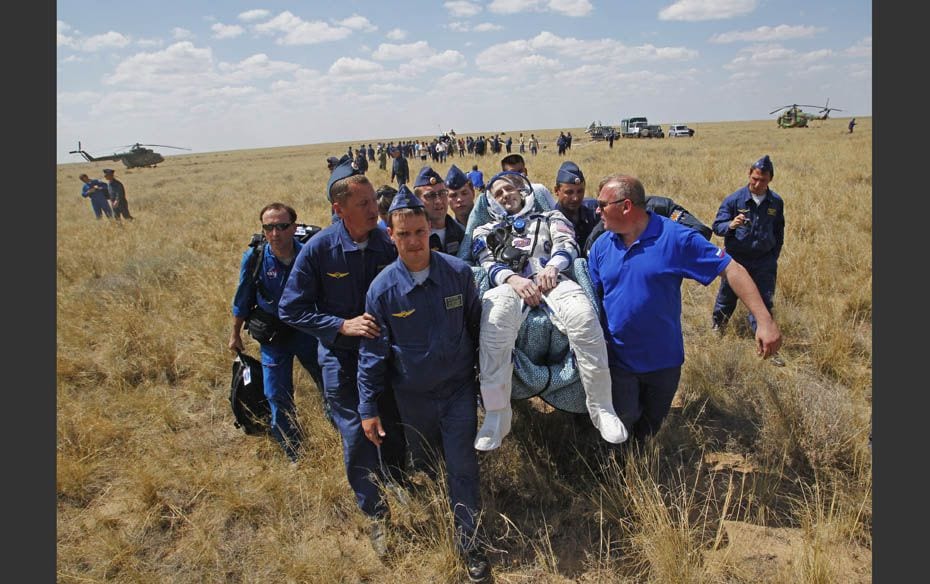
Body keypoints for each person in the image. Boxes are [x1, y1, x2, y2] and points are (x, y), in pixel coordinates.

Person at [358, 187, 491, 582]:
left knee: (462, 465)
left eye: (419, 232)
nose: (414, 241)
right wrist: (368, 408)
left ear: (429, 231)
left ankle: (470, 545)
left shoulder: (458, 274)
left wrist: (486, 383)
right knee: (430, 463)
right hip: (412, 398)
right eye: (404, 235)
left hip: (457, 392)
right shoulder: (382, 290)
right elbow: (372, 355)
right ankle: (440, 509)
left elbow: (476, 326)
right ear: (390, 236)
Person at [588, 174, 782, 442]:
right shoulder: (601, 246)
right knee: (621, 423)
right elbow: (592, 300)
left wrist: (764, 319)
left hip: (663, 361)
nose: (596, 210)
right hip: (618, 361)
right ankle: (618, 473)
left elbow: (732, 269)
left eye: (602, 204)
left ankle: (640, 463)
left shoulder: (676, 239)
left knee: (649, 427)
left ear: (626, 206)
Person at [278, 158, 406, 555]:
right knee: (356, 434)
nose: (374, 209)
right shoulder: (319, 249)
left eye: (374, 201)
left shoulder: (387, 241)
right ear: (339, 209)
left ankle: (396, 480)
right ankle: (375, 514)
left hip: (385, 355)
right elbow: (291, 309)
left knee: (393, 425)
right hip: (340, 357)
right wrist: (340, 325)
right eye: (364, 203)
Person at [470, 171, 628, 451]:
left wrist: (553, 268)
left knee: (584, 319)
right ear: (492, 202)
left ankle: (601, 407)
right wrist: (514, 280)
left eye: (510, 189)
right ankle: (497, 413)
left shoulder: (550, 218)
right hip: (510, 284)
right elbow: (486, 262)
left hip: (553, 278)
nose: (506, 196)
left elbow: (568, 245)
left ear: (522, 191)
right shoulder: (484, 231)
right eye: (498, 194)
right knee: (493, 327)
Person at [229, 203, 323, 462]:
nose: (275, 233)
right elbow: (243, 296)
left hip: (306, 331)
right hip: (273, 337)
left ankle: (340, 433)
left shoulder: (309, 255)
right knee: (276, 394)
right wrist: (235, 333)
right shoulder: (256, 257)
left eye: (281, 226)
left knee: (327, 382)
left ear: (294, 227)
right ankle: (294, 451)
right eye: (268, 227)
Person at [710, 155, 785, 340]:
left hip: (764, 260)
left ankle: (762, 338)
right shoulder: (734, 200)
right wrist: (731, 225)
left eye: (763, 180)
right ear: (749, 174)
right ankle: (718, 328)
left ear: (770, 179)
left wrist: (773, 256)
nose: (758, 183)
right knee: (727, 297)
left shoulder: (775, 202)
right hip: (737, 260)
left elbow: (778, 231)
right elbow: (717, 227)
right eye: (755, 178)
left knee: (764, 300)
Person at [413, 166, 465, 256]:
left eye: (442, 193)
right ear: (418, 201)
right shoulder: (413, 238)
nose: (438, 201)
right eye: (430, 196)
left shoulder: (461, 232)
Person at [553, 161, 597, 254]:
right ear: (556, 191)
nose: (575, 198)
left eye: (580, 191)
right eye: (569, 192)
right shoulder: (551, 222)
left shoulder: (594, 213)